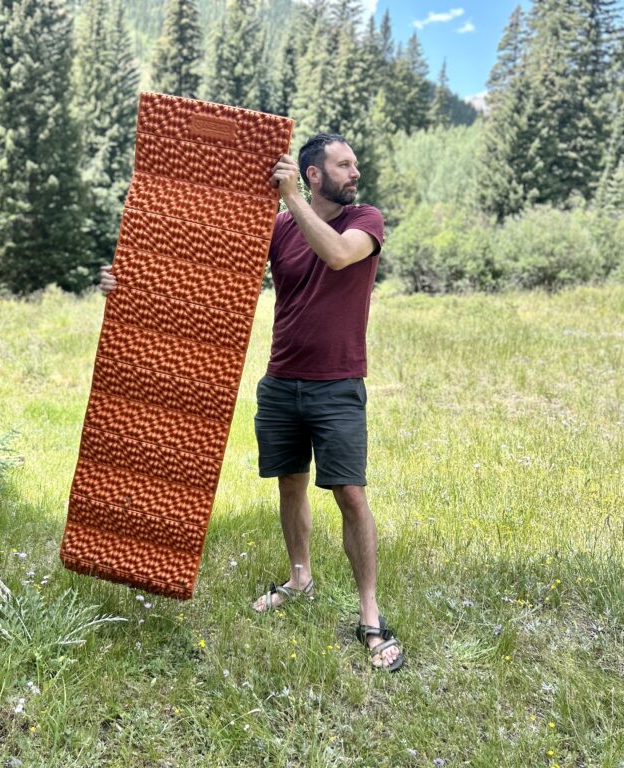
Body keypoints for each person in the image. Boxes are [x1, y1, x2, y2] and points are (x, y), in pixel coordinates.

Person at [98, 133, 403, 672]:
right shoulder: (280, 228)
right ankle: (301, 577)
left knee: (350, 494)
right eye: (344, 164)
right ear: (314, 173)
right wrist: (133, 284)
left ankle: (371, 617)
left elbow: (335, 257)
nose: (356, 172)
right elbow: (206, 274)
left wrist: (288, 199)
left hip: (338, 383)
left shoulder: (365, 222)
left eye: (356, 162)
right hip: (282, 379)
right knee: (290, 483)